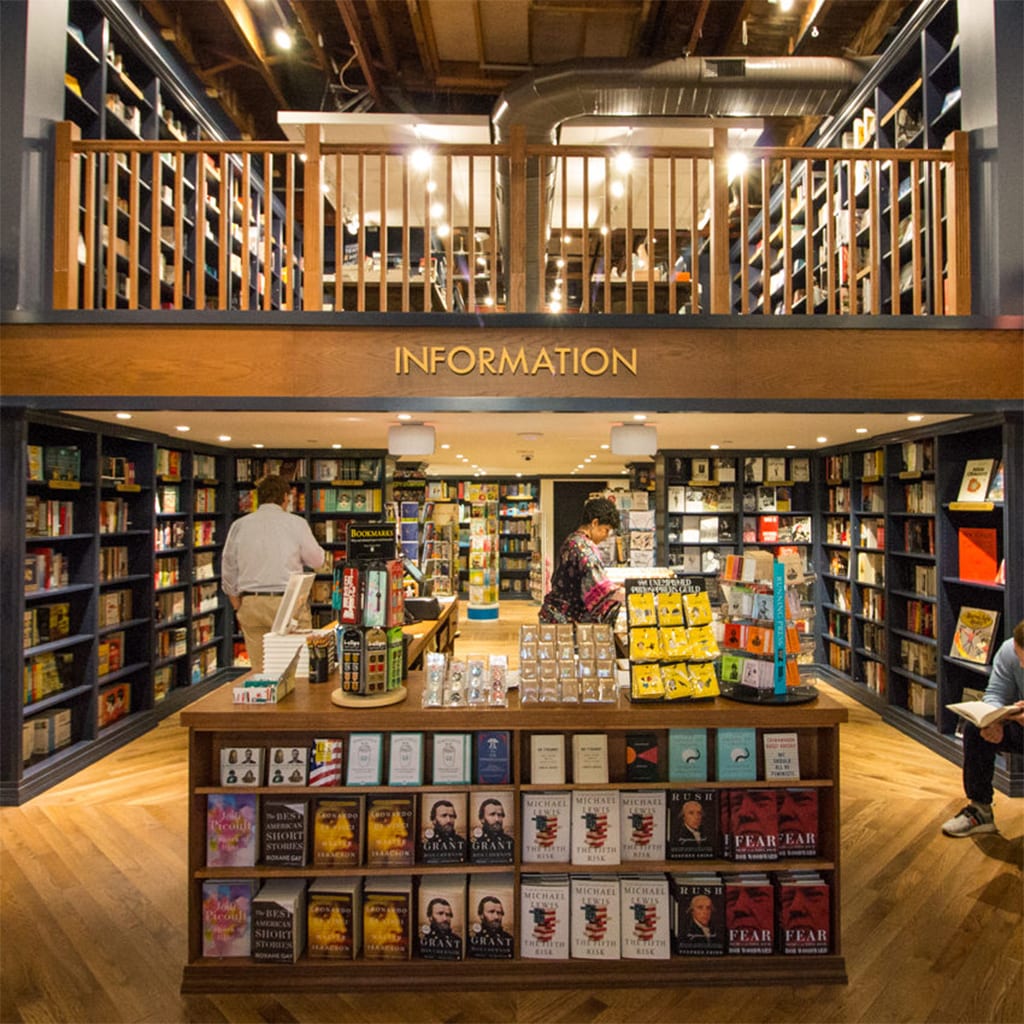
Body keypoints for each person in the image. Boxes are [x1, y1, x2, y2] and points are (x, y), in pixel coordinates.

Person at [221, 474, 326, 673]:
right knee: (298, 669)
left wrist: (237, 604)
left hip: (251, 601)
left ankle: (265, 694)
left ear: (258, 497)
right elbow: (317, 560)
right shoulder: (296, 523)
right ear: (285, 497)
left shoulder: (239, 525)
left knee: (261, 672)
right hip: (288, 601)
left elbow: (228, 568)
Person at [942, 620, 1024, 837]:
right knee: (975, 731)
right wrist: (994, 720)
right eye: (1020, 658)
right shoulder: (1009, 650)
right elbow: (995, 693)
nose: (1022, 665)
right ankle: (980, 811)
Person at [538, 496, 624, 623]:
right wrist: (628, 594)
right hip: (565, 620)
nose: (606, 536)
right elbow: (601, 588)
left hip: (554, 614)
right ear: (595, 523)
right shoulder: (584, 548)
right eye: (606, 530)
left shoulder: (572, 540)